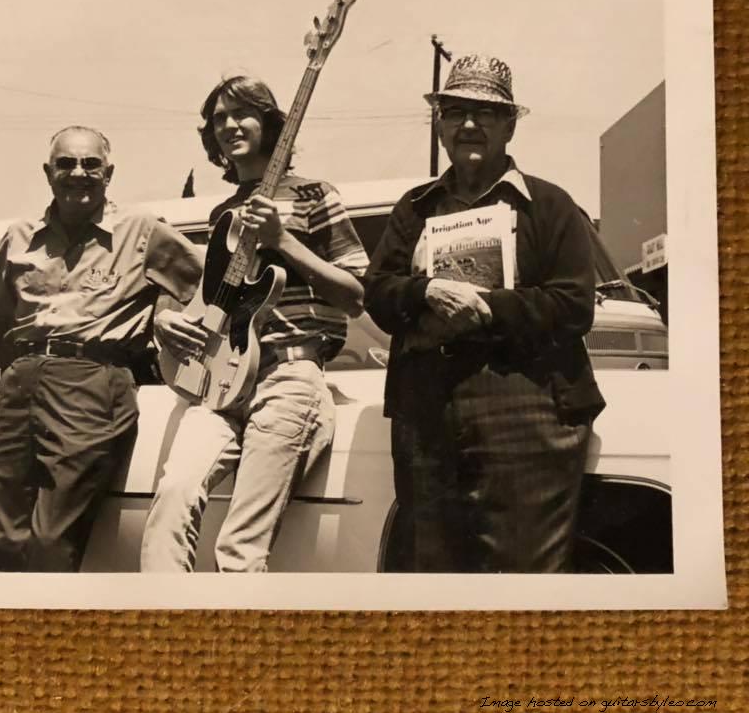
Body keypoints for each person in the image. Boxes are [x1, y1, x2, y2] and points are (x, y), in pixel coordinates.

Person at [364, 54, 605, 573]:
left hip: (526, 403)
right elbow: (377, 292)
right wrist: (425, 292)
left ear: (510, 125)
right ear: (441, 126)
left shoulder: (549, 205)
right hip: (426, 407)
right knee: (432, 571)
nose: (468, 125)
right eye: (455, 112)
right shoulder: (415, 207)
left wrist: (487, 310)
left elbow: (574, 305)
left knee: (524, 573)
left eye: (486, 113)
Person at [0, 125, 202, 572]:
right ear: (48, 173)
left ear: (108, 173)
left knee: (51, 539)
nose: (78, 173)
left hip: (93, 380)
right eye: (66, 164)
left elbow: (211, 284)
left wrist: (165, 314)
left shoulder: (142, 230)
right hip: (19, 379)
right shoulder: (20, 235)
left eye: (90, 164)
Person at [141, 76, 369, 572]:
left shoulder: (315, 194)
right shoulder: (222, 210)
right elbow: (192, 293)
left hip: (289, 377)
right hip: (220, 381)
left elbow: (356, 293)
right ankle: (159, 633)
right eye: (218, 118)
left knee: (240, 546)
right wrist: (165, 322)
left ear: (269, 122)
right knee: (172, 502)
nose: (229, 125)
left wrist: (283, 240)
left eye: (241, 113)